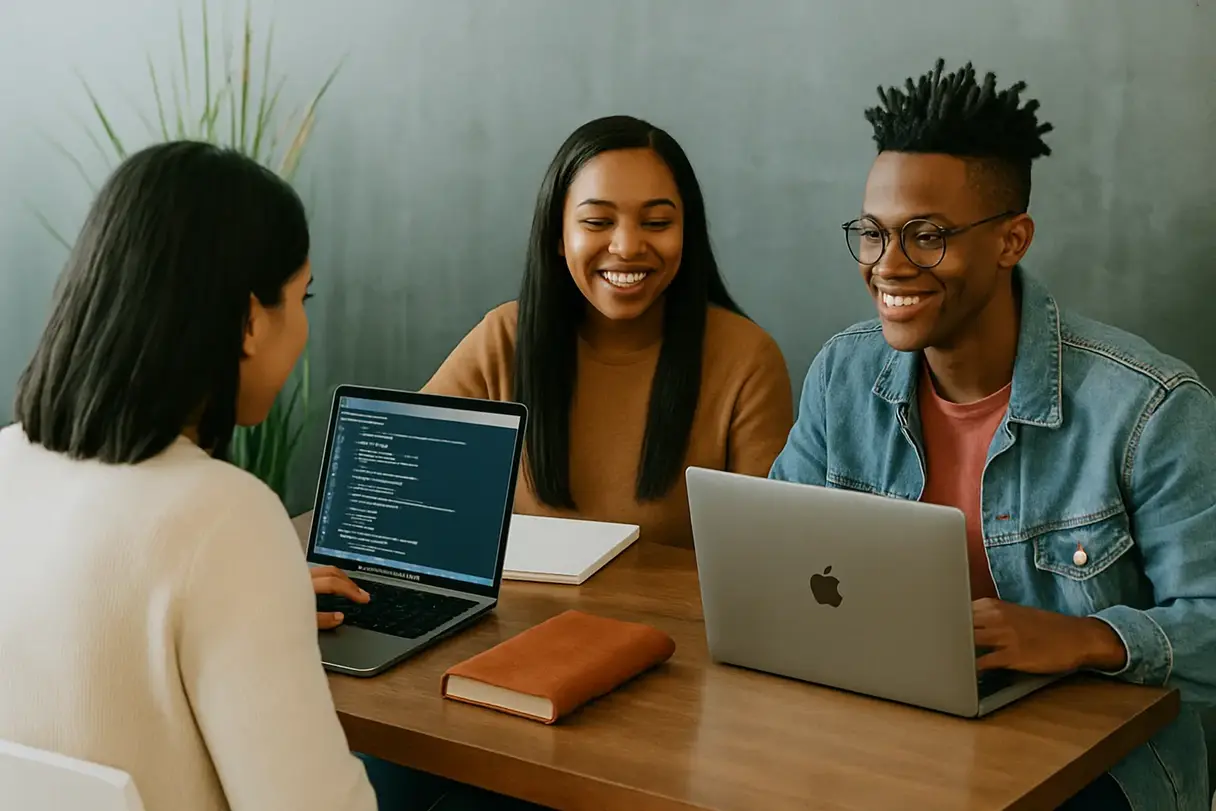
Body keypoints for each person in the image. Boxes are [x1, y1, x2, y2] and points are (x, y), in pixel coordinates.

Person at [770, 58, 1216, 811]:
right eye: (873, 235)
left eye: (926, 236)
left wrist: (1085, 639)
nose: (889, 265)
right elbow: (777, 558)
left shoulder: (1150, 406)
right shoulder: (842, 374)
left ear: (1012, 240)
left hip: (1091, 770)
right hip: (887, 735)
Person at [0, 141, 377, 811]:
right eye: (301, 296)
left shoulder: (7, 463)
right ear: (250, 320)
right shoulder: (226, 515)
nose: (304, 326)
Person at [424, 114, 794, 548]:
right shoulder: (503, 338)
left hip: (673, 618)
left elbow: (766, 557)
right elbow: (400, 482)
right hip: (524, 615)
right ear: (558, 236)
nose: (627, 247)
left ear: (686, 234)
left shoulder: (747, 359)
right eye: (597, 222)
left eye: (656, 223)